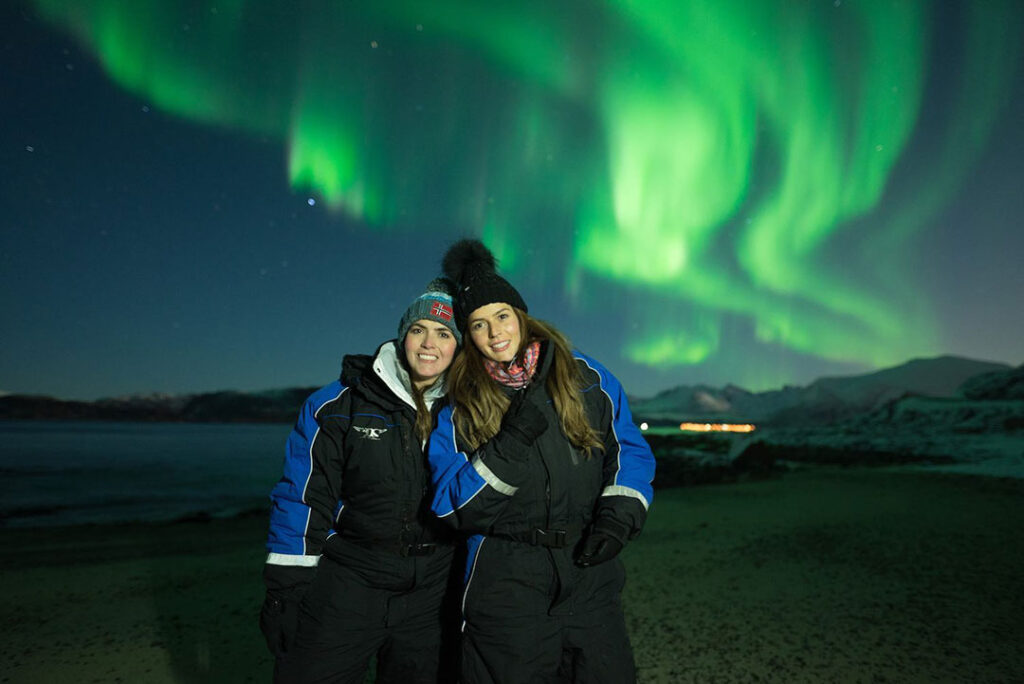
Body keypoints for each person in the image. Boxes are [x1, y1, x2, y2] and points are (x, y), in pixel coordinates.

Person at [426, 240, 656, 683]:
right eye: (478, 324)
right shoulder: (458, 405)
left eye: (502, 316)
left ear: (521, 315)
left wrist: (618, 518)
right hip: (506, 580)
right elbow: (451, 507)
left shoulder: (586, 376)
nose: (495, 333)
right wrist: (510, 443)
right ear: (467, 336)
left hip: (589, 570)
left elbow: (628, 452)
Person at [260, 277, 464, 684]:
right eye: (418, 330)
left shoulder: (467, 408)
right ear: (402, 335)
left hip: (433, 590)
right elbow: (304, 496)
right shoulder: (337, 404)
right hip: (351, 581)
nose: (429, 343)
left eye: (444, 333)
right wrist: (286, 586)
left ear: (457, 346)